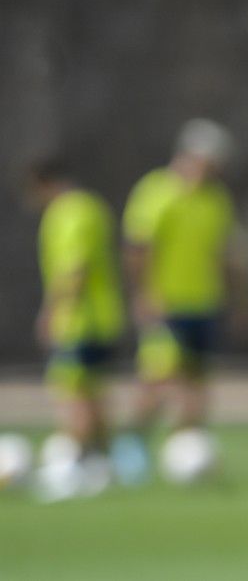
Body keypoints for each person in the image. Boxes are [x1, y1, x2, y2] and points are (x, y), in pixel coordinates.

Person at [111, 118, 239, 483]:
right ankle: (129, 446)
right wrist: (144, 294)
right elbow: (137, 249)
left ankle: (185, 455)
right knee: (161, 380)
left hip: (204, 303)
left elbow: (223, 253)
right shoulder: (156, 191)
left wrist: (238, 299)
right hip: (166, 305)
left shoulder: (216, 199)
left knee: (197, 384)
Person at [26, 155, 125, 494]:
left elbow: (75, 268)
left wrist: (52, 311)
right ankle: (102, 465)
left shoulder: (66, 212)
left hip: (79, 319)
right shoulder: (93, 206)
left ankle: (73, 466)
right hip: (104, 315)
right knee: (95, 394)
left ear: (43, 184)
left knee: (72, 393)